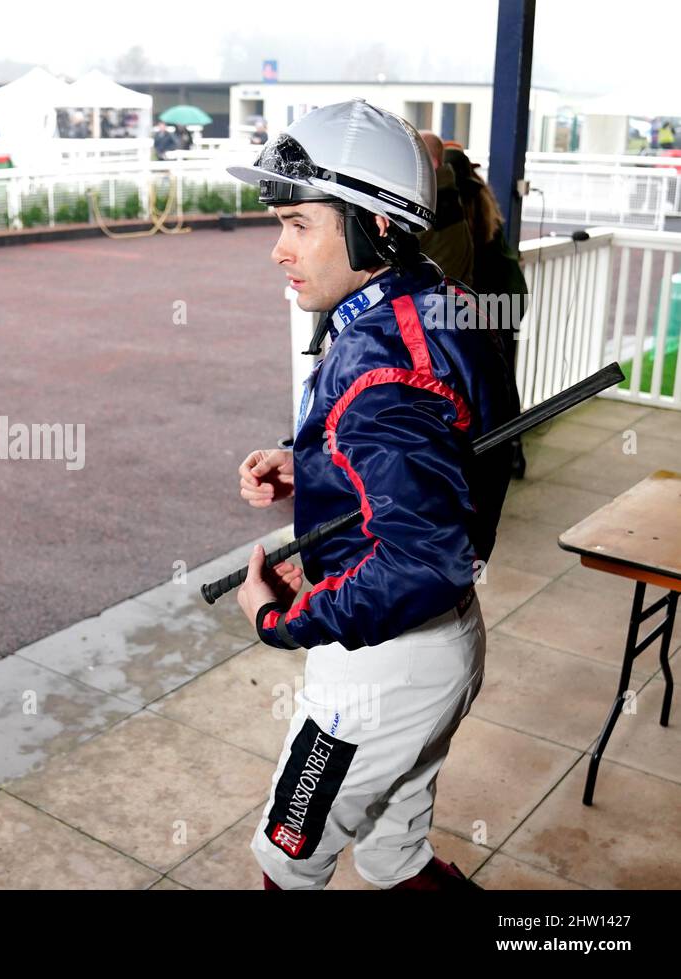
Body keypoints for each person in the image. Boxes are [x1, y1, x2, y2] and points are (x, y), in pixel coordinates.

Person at [226, 98, 518, 891]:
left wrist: (282, 619)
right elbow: (445, 453)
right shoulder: (431, 298)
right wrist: (311, 466)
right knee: (395, 855)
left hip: (382, 669)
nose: (278, 251)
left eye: (298, 224)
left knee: (286, 861)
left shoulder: (378, 367)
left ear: (373, 224)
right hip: (439, 648)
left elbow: (422, 561)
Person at [446, 145, 529, 478]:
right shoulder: (482, 198)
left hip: (478, 309)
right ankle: (513, 453)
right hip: (505, 303)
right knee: (504, 384)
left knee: (475, 389)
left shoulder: (451, 205)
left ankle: (488, 457)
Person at [415, 131, 473, 285]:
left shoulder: (429, 203)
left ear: (432, 163)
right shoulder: (451, 196)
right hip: (452, 298)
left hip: (432, 300)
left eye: (414, 157)